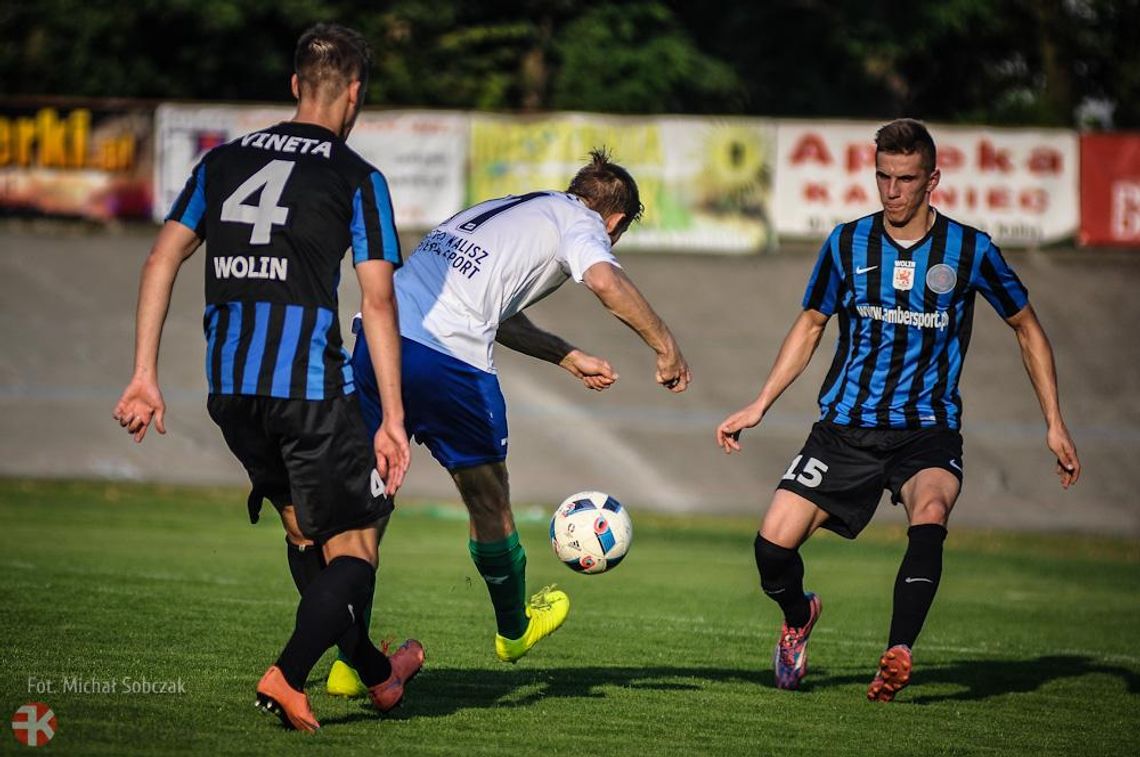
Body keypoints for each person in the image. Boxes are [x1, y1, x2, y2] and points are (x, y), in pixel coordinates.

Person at [111, 23, 423, 731]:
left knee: (304, 535)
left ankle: (379, 676)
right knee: (359, 541)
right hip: (308, 389)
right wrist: (393, 418)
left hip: (232, 391)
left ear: (292, 86)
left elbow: (160, 259)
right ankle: (286, 675)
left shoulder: (222, 162)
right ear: (354, 93)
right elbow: (377, 299)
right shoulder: (357, 177)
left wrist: (143, 375)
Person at [714, 118, 1081, 702]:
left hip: (927, 430)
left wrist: (1055, 423)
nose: (892, 191)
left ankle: (898, 651)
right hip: (845, 428)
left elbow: (1028, 329)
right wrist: (760, 404)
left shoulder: (971, 249)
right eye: (883, 177)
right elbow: (811, 323)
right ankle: (798, 615)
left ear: (932, 179)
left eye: (906, 179)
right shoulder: (845, 242)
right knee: (771, 547)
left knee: (930, 511)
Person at [326, 148, 691, 695]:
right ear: (614, 221)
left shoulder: (510, 209)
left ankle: (351, 661)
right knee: (489, 498)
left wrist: (565, 354)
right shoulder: (582, 222)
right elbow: (606, 283)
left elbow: (493, 305)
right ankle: (514, 630)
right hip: (447, 363)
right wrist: (666, 345)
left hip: (379, 342)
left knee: (368, 503)